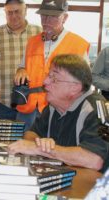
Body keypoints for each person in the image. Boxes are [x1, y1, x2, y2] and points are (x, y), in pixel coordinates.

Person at [8, 54, 109, 173]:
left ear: (74, 88)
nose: (45, 82)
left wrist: (43, 149)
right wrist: (40, 143)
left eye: (54, 78)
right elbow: (31, 133)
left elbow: (94, 160)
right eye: (48, 75)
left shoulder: (98, 110)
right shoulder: (53, 107)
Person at [14, 0, 90, 131]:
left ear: (65, 17)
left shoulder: (78, 44)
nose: (46, 20)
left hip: (59, 110)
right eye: (43, 15)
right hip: (28, 108)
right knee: (21, 146)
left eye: (53, 16)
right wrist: (21, 70)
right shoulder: (32, 42)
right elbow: (23, 66)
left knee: (50, 148)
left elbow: (84, 85)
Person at [0, 0, 41, 120]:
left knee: (29, 139)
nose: (14, 16)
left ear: (26, 10)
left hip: (31, 106)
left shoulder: (39, 33)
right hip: (0, 105)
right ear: (5, 12)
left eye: (17, 11)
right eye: (9, 13)